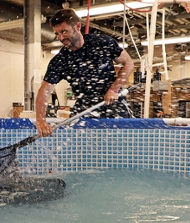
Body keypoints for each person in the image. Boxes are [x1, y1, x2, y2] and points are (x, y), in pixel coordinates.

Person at [35, 8, 135, 137]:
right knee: (79, 146)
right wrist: (40, 120)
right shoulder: (60, 60)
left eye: (64, 31)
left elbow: (128, 63)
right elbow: (44, 90)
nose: (60, 37)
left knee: (119, 143)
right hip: (84, 108)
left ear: (77, 26)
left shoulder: (102, 43)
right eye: (57, 33)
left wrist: (114, 89)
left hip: (113, 103)